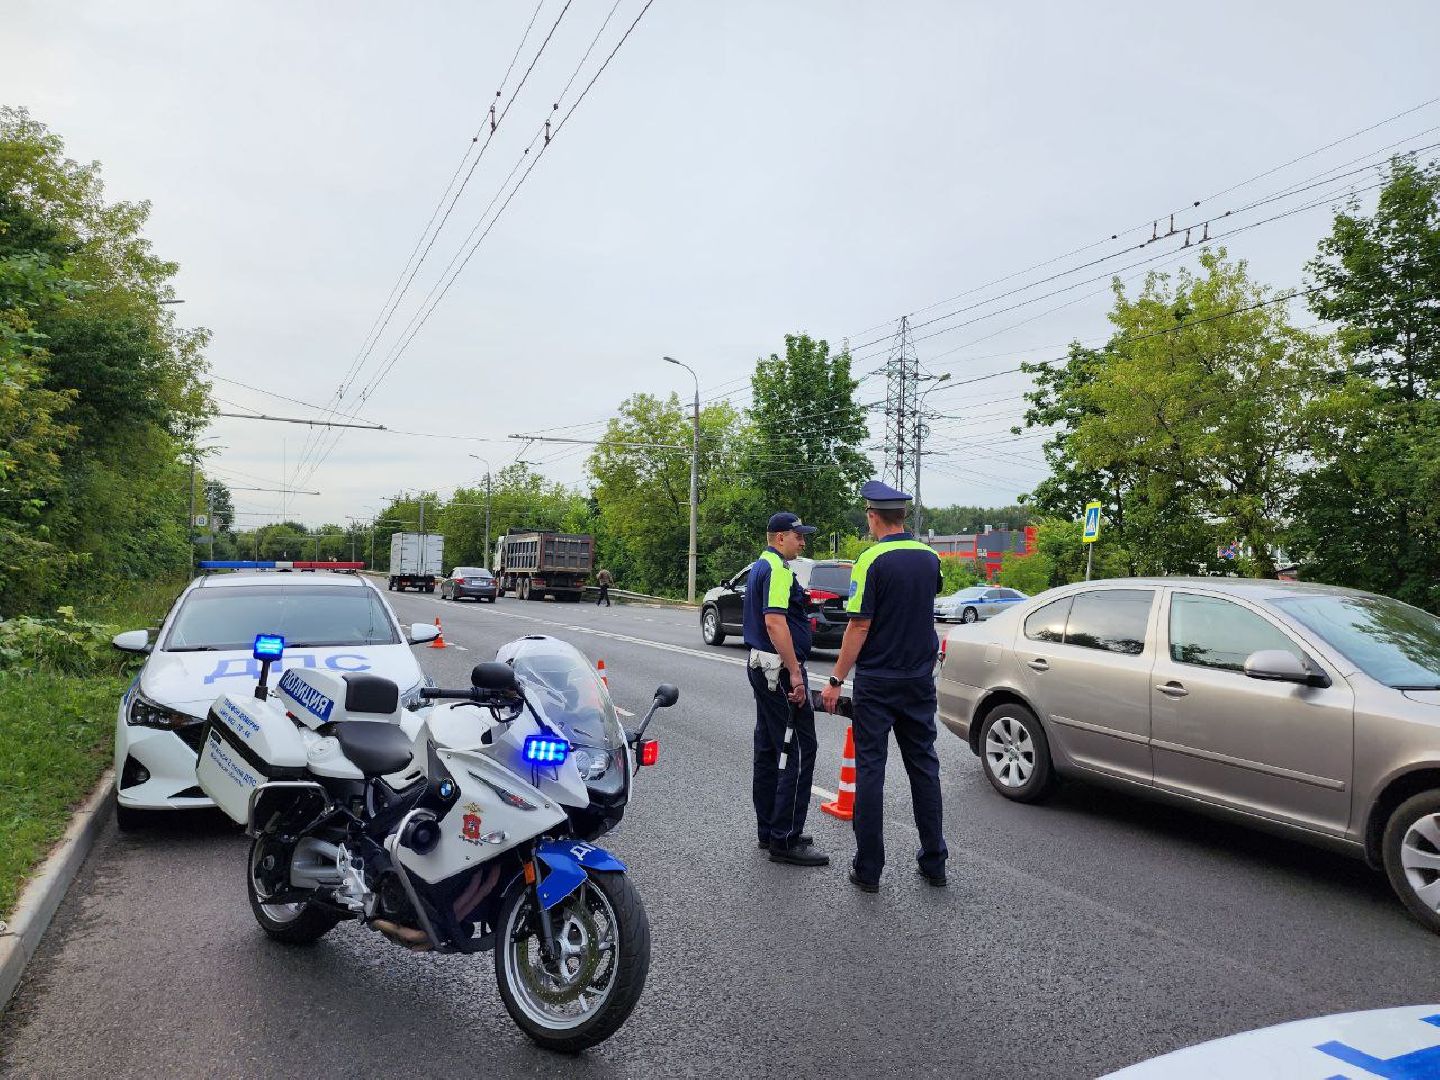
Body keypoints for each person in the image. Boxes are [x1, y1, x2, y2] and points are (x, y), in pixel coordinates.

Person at [820, 481, 948, 892]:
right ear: (904, 517)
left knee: (872, 770)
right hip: (918, 680)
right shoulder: (930, 557)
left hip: (878, 681)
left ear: (873, 516)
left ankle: (869, 869)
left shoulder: (871, 559)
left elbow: (859, 625)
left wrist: (836, 679)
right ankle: (934, 863)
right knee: (924, 769)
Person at [744, 511, 828, 867]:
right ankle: (786, 838)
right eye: (798, 536)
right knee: (798, 749)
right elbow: (775, 622)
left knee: (768, 748)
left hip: (761, 666)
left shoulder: (759, 567)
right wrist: (795, 673)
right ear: (780, 537)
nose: (803, 542)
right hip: (778, 670)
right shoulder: (776, 569)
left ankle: (770, 828)